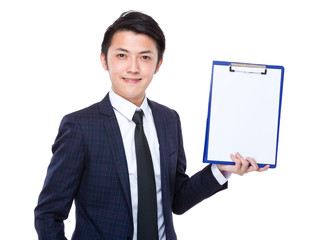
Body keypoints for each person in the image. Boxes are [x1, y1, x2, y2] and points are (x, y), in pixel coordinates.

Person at [34, 11, 269, 240]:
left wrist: (221, 169)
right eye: (122, 55)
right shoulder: (80, 127)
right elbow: (48, 214)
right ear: (104, 60)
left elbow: (177, 200)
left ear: (158, 64)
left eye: (145, 57)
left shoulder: (169, 119)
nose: (133, 68)